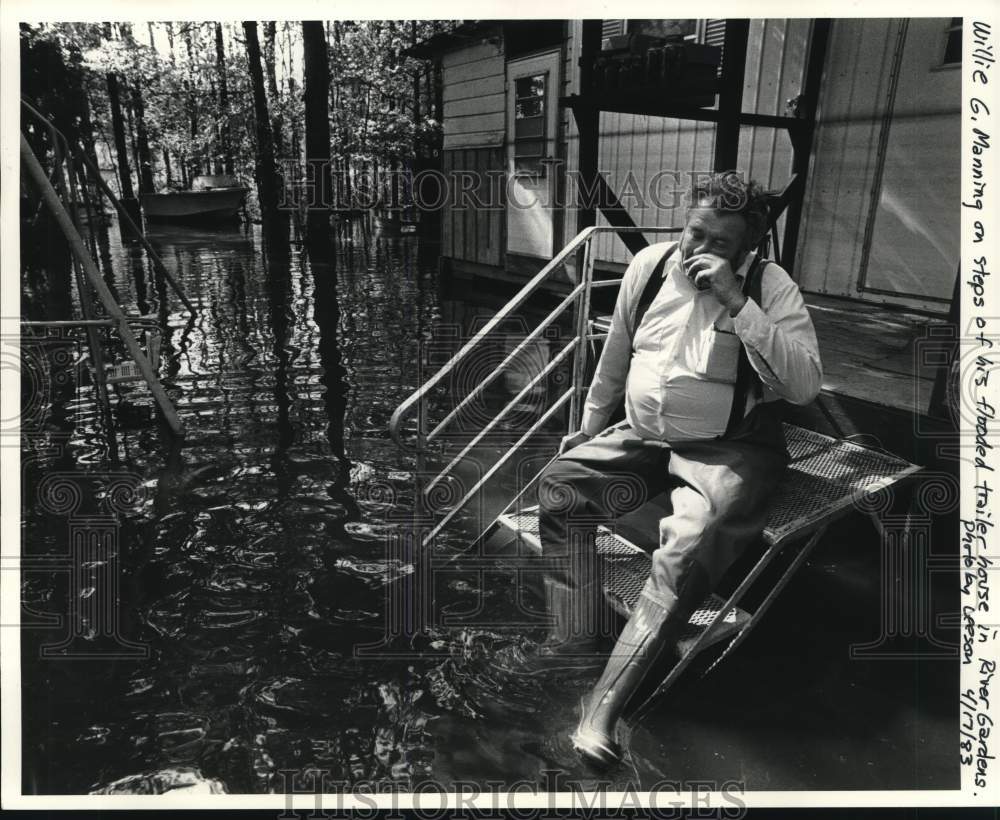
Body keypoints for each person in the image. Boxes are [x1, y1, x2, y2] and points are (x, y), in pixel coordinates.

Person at [534, 171, 822, 768]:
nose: (701, 251)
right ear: (683, 225)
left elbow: (803, 385)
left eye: (721, 243)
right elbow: (616, 356)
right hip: (645, 434)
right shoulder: (648, 266)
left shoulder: (770, 286)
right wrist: (589, 428)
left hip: (729, 444)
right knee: (561, 485)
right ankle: (574, 638)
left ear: (749, 247)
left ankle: (602, 705)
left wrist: (737, 304)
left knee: (688, 545)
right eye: (696, 234)